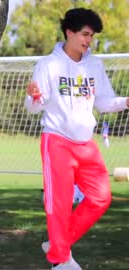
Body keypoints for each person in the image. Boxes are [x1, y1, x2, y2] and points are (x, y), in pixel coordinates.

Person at [25, 8, 129, 270]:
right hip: (57, 141)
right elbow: (35, 106)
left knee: (100, 197)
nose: (87, 40)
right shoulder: (47, 65)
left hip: (86, 144)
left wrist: (125, 102)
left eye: (91, 36)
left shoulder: (94, 65)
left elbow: (103, 102)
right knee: (58, 205)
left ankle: (59, 244)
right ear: (69, 32)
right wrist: (34, 97)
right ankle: (60, 261)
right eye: (84, 34)